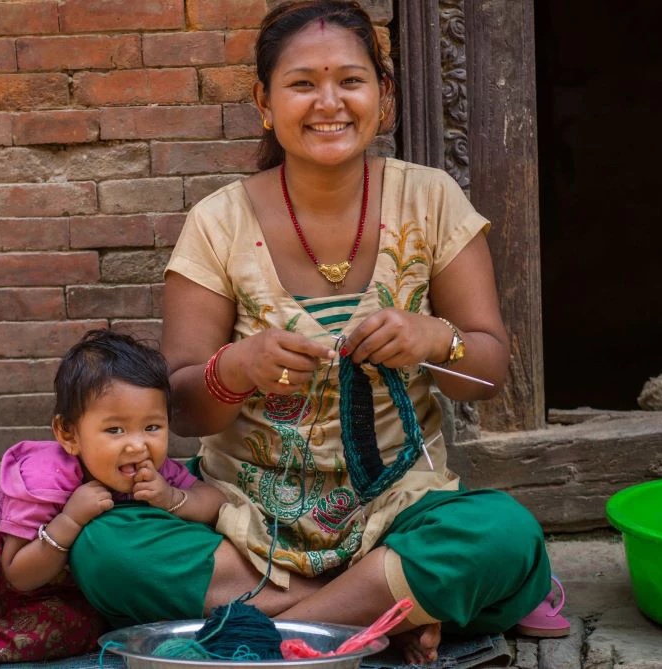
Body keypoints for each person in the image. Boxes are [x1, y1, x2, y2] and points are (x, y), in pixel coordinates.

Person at [70, 1, 567, 665]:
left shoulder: (431, 199)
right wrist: (237, 367)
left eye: (351, 81)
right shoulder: (218, 221)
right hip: (243, 521)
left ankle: (263, 637)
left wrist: (431, 338)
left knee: (501, 537)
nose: (328, 102)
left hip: (399, 511)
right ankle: (376, 612)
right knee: (106, 550)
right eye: (303, 83)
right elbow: (183, 406)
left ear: (383, 98)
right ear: (265, 103)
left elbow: (486, 374)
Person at [0, 330, 229, 669]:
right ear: (69, 434)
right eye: (115, 430)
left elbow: (212, 501)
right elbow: (17, 574)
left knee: (91, 625)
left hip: (54, 602)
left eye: (152, 427)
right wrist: (70, 520)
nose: (138, 445)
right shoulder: (42, 476)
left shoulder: (155, 473)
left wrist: (173, 498)